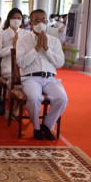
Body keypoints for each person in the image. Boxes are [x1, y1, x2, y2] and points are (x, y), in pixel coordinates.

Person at [16, 9, 68, 140]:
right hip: (31, 78)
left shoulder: (54, 41)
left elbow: (59, 63)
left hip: (50, 78)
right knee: (34, 98)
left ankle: (47, 125)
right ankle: (37, 127)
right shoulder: (23, 40)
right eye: (37, 20)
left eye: (43, 20)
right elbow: (21, 63)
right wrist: (36, 48)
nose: (41, 23)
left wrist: (46, 49)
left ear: (47, 21)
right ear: (31, 22)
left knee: (62, 98)